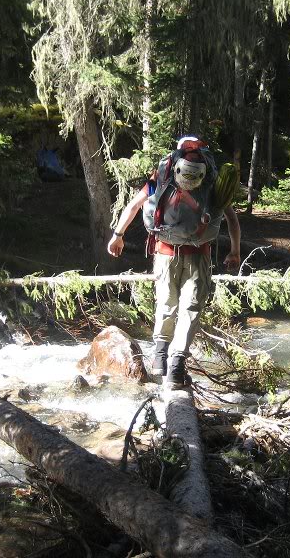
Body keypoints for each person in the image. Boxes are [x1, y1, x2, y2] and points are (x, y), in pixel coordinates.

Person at [107, 136, 241, 389]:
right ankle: (177, 367)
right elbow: (232, 221)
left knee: (166, 303)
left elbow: (135, 206)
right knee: (190, 309)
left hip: (165, 253)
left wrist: (118, 236)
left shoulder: (162, 178)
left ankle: (160, 358)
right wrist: (234, 252)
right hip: (198, 254)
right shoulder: (213, 182)